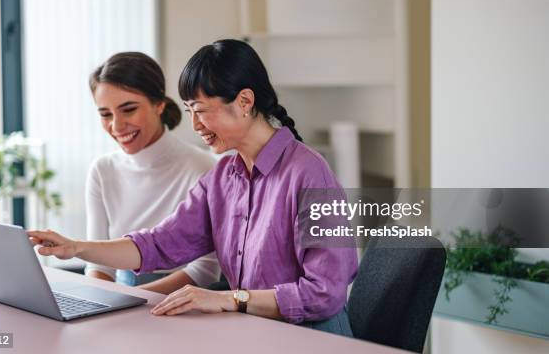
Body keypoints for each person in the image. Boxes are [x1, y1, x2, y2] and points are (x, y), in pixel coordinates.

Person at [28, 40, 358, 336]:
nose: (195, 125)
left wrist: (231, 299)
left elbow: (326, 293)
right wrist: (76, 247)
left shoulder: (310, 173)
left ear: (244, 101)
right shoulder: (223, 177)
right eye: (189, 112)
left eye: (200, 111)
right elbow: (159, 244)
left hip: (312, 339)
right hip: (255, 334)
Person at [84, 51, 220, 293]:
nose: (116, 126)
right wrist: (105, 307)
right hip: (121, 299)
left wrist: (134, 301)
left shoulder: (203, 168)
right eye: (105, 114)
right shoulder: (102, 171)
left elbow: (205, 270)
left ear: (159, 104)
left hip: (180, 302)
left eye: (128, 109)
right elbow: (99, 265)